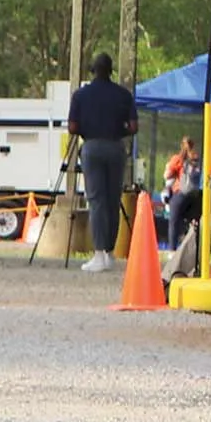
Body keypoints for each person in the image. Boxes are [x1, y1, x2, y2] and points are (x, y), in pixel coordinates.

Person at [67, 52, 138, 273]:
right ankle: (109, 252)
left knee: (96, 199)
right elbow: (134, 127)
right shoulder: (123, 95)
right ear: (110, 71)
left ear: (93, 70)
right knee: (112, 199)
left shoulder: (80, 95)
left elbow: (72, 127)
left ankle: (98, 254)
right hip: (116, 147)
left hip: (92, 147)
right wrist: (120, 129)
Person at [164, 136, 201, 247]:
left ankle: (172, 248)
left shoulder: (178, 159)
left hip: (181, 194)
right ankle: (197, 247)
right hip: (196, 197)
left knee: (174, 221)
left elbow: (167, 176)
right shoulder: (197, 159)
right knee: (196, 223)